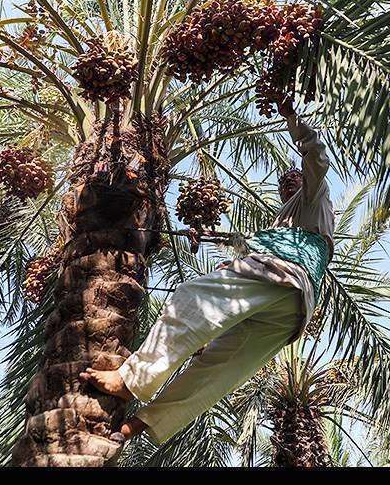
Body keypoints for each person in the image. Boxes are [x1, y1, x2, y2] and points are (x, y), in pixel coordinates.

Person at [80, 98, 334, 445]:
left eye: (293, 178)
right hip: (294, 307)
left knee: (190, 299)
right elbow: (263, 247)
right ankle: (140, 424)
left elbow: (316, 158)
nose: (287, 184)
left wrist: (292, 118)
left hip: (282, 277)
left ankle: (131, 381)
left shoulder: (315, 195)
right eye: (282, 183)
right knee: (218, 370)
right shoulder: (289, 222)